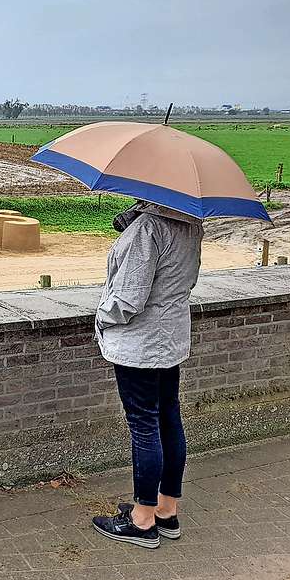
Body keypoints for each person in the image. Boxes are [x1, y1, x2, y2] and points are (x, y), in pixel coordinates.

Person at [90, 199, 204, 549]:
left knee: (143, 425)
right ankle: (166, 511)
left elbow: (128, 299)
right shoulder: (191, 223)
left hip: (140, 345)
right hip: (170, 339)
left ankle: (141, 521)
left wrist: (100, 318)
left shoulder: (148, 228)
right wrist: (133, 217)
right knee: (168, 418)